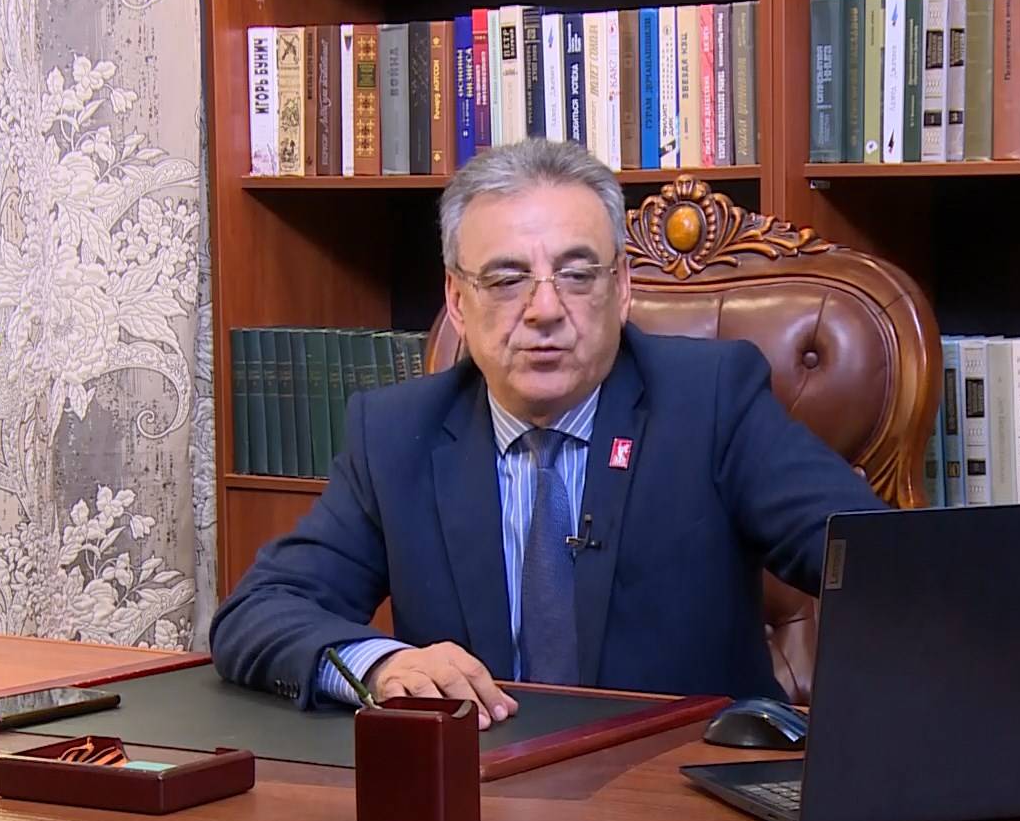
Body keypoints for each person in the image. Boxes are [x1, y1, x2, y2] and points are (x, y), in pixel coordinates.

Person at [209, 138, 889, 727]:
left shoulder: (710, 403)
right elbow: (258, 612)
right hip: (481, 793)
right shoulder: (396, 436)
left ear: (622, 287)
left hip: (678, 796)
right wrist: (381, 665)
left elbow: (887, 567)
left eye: (576, 275)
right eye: (507, 279)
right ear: (457, 301)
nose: (544, 310)